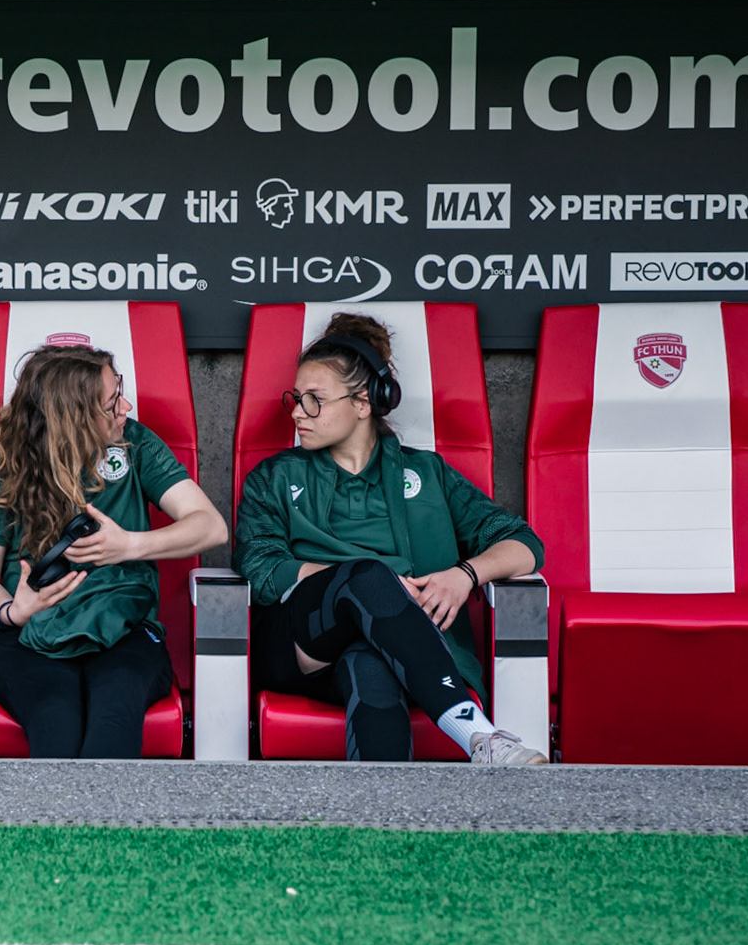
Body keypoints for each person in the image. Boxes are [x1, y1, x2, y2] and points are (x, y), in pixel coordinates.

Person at [232, 312, 547, 764]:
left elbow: (523, 545)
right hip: (302, 649)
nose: (299, 412)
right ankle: (480, 736)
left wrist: (464, 576)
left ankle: (385, 826)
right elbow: (259, 565)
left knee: (370, 664)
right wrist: (363, 586)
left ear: (363, 402)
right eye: (295, 399)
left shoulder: (427, 473)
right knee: (367, 578)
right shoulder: (276, 476)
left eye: (314, 400)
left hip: (405, 654)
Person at [0, 342, 228, 758]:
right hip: (28, 634)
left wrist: (129, 545)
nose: (126, 405)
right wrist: (13, 610)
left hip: (125, 632)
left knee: (113, 722)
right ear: (72, 417)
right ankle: (56, 825)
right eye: (112, 401)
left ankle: (107, 826)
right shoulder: (6, 462)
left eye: (120, 391)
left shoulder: (134, 444)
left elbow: (211, 527)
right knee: (56, 722)